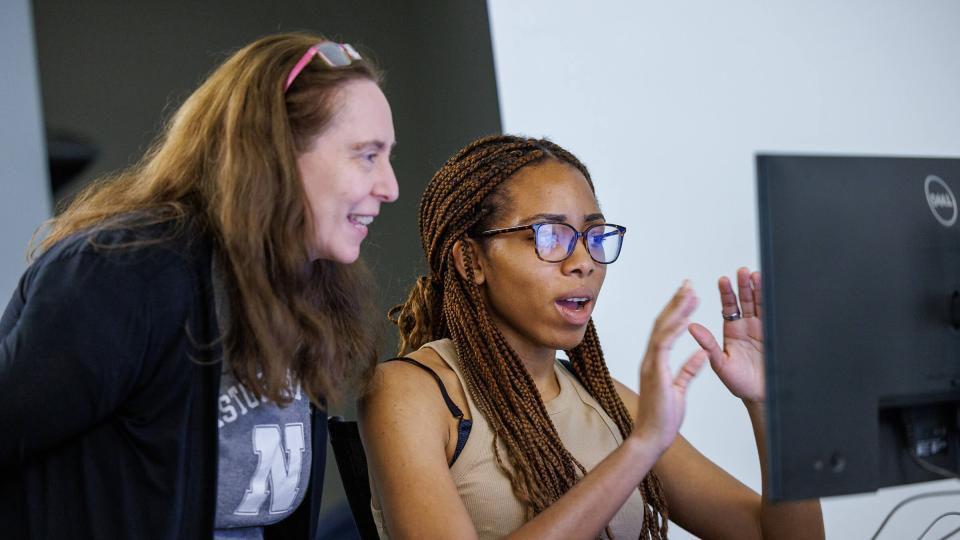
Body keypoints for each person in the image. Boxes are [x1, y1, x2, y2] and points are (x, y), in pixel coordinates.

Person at [0, 33, 398, 539]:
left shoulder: (301, 288)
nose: (389, 185)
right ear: (275, 151)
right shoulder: (126, 272)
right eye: (367, 155)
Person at [359, 135, 824, 539]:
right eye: (551, 235)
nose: (583, 261)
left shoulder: (609, 402)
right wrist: (639, 450)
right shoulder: (407, 393)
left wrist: (768, 406)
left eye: (593, 236)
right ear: (470, 261)